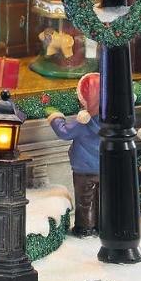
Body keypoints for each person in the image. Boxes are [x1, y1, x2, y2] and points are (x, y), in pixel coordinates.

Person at [46, 72, 101, 236]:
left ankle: (85, 228)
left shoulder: (84, 122)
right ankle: (103, 226)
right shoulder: (111, 121)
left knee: (85, 200)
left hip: (83, 169)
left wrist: (55, 116)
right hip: (105, 166)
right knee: (103, 199)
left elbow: (64, 132)